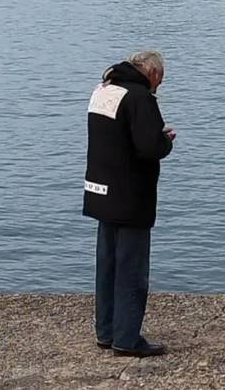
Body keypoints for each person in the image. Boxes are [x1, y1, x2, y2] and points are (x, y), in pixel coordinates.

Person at [83, 51, 176, 357]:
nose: (158, 86)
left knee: (107, 267)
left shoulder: (103, 90)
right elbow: (149, 147)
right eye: (160, 79)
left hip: (100, 191)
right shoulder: (139, 98)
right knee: (131, 271)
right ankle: (126, 339)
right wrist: (166, 141)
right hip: (130, 196)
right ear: (152, 73)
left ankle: (106, 332)